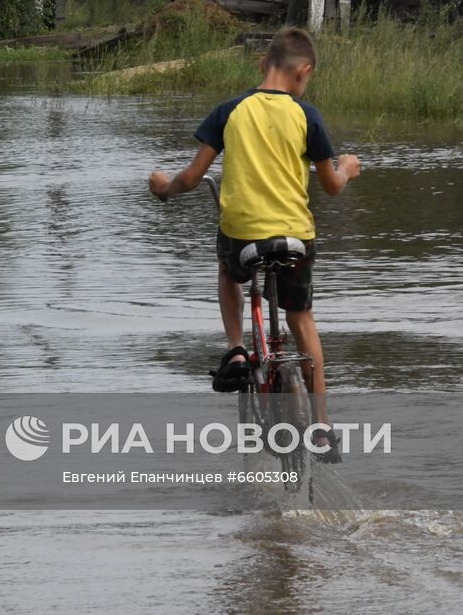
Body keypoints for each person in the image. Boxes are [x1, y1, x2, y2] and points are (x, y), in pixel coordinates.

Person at [148, 26, 360, 462]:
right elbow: (332, 185)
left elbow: (190, 178)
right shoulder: (307, 116)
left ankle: (236, 350)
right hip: (295, 238)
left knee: (229, 273)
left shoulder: (229, 111)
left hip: (243, 234)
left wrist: (161, 187)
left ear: (262, 65)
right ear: (304, 71)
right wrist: (349, 167)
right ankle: (321, 426)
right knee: (301, 318)